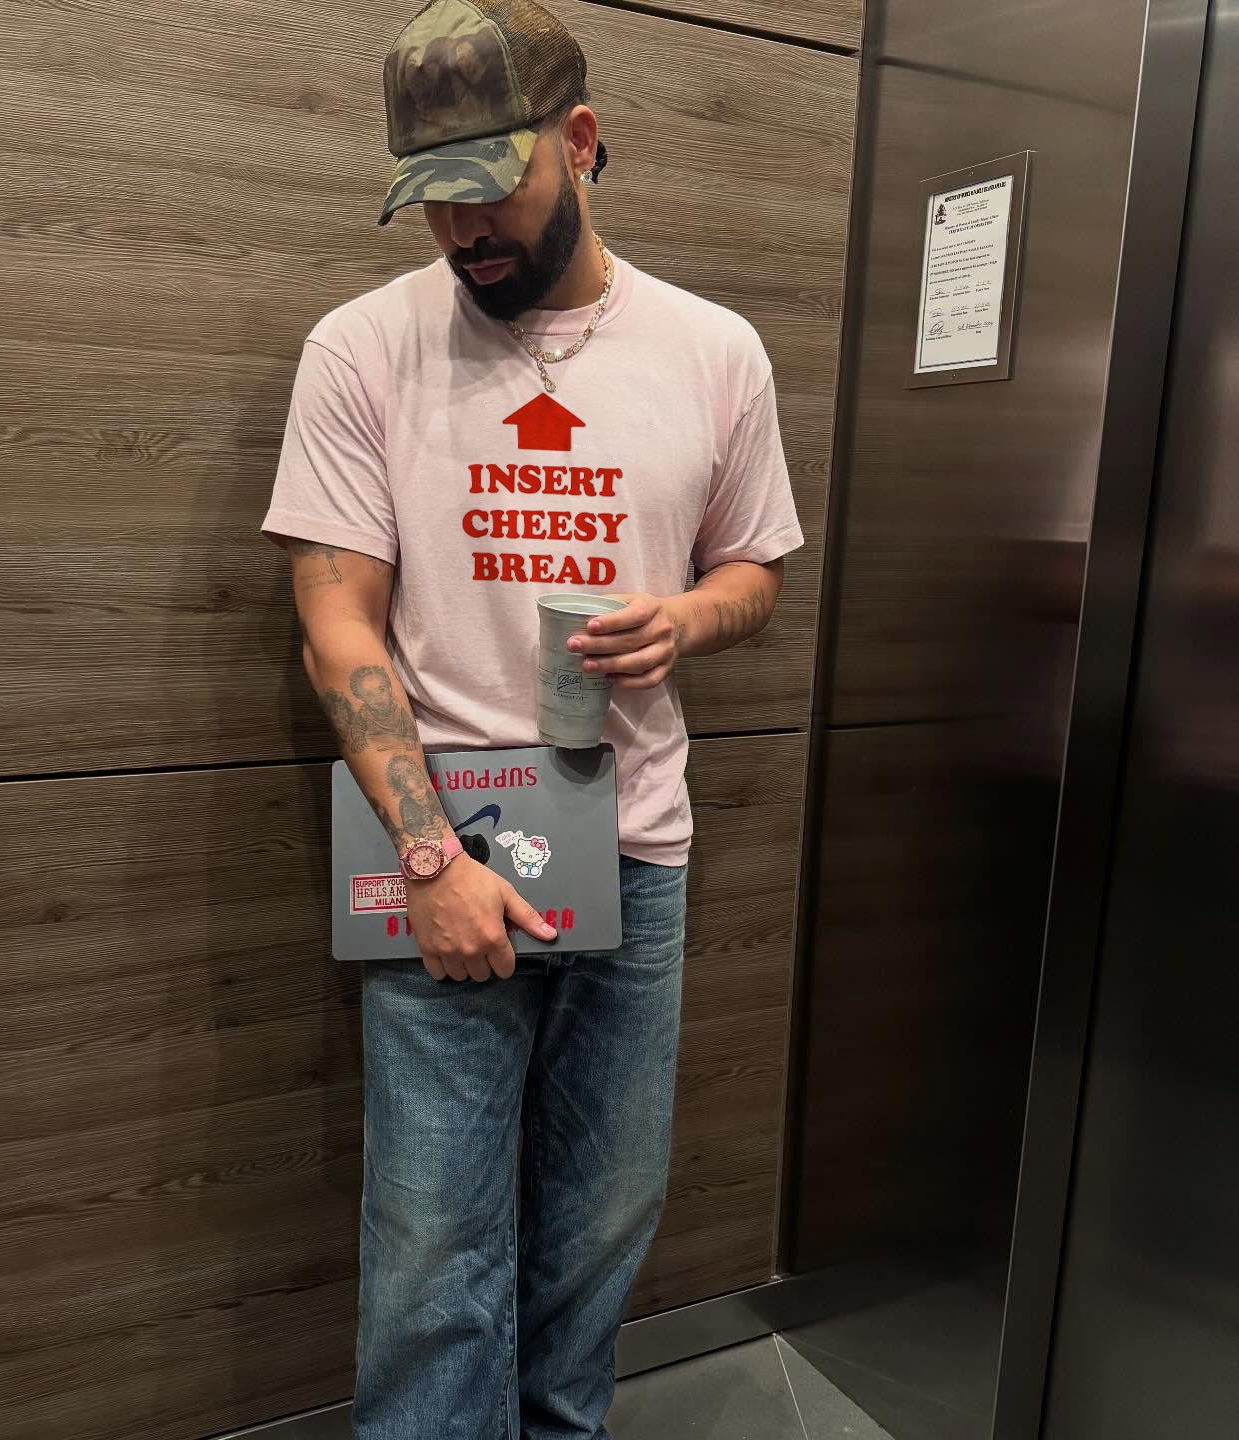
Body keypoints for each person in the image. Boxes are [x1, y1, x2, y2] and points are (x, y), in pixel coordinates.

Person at [261, 1, 803, 1433]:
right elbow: (335, 622)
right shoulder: (360, 351)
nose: (460, 234)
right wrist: (433, 862)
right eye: (427, 203)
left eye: (486, 189)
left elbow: (754, 571)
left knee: (600, 1227)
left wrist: (689, 617)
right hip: (451, 840)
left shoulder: (716, 352)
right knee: (433, 1248)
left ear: (579, 141)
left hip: (638, 846)